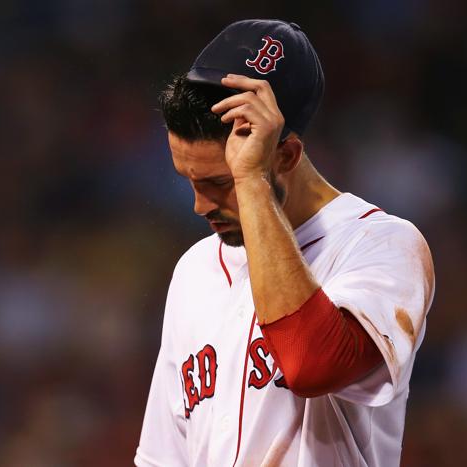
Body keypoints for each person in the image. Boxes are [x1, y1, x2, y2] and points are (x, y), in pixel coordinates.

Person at [135, 19, 434, 467]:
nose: (199, 205)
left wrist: (250, 179)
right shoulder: (193, 272)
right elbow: (164, 458)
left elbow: (313, 364)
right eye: (190, 181)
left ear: (287, 155)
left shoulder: (380, 243)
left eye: (220, 181)